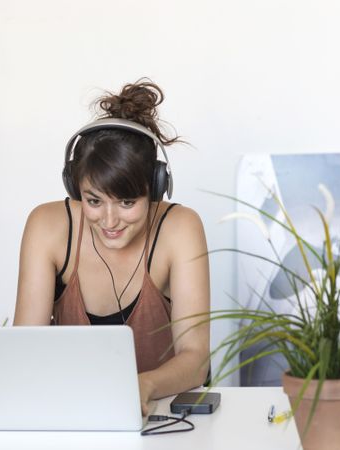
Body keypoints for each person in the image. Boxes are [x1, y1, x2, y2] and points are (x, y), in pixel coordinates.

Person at [13, 79, 210, 415]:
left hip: (163, 421)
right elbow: (24, 350)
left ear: (156, 188)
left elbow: (196, 358)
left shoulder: (181, 228)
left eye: (126, 201)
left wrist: (143, 386)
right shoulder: (48, 227)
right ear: (75, 190)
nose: (109, 220)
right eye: (93, 200)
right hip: (72, 415)